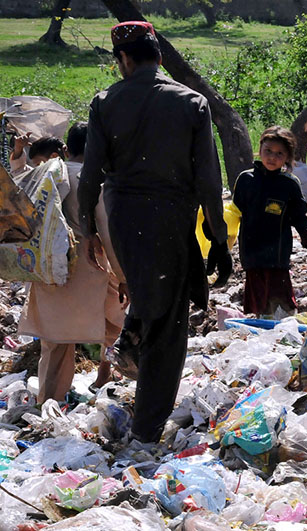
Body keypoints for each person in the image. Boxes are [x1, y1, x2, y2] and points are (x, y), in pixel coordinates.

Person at [79, 21, 231, 443]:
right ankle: (147, 427)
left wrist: (89, 231)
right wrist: (217, 238)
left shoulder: (105, 101)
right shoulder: (192, 103)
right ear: (160, 57)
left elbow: (90, 177)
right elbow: (208, 179)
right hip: (170, 220)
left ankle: (133, 346)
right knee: (167, 326)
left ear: (124, 59)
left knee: (150, 302)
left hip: (124, 221)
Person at [18, 123, 128, 402]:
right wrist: (122, 274)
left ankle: (49, 404)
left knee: (55, 342)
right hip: (91, 271)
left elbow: (18, 189)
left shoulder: (46, 175)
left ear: (67, 149)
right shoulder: (94, 182)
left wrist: (18, 157)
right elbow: (106, 231)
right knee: (117, 323)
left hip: (47, 271)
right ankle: (108, 373)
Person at [232, 126, 307, 317]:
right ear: (260, 149)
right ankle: (263, 330)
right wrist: (223, 241)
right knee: (259, 302)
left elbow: (299, 218)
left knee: (281, 302)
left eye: (279, 153)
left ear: (288, 156)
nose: (272, 157)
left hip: (278, 253)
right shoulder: (246, 180)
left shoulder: (289, 184)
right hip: (252, 252)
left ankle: (280, 331)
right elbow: (233, 214)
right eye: (268, 151)